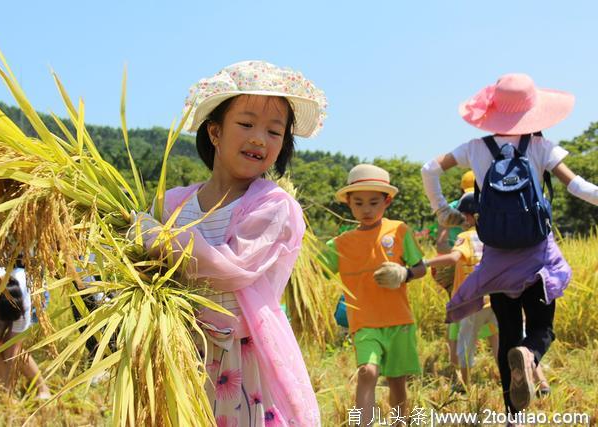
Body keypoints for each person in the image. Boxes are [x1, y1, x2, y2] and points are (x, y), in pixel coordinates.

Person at [131, 61, 326, 426]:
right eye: (247, 124)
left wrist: (157, 237)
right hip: (177, 351)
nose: (259, 139)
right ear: (215, 132)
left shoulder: (273, 206)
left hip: (238, 360)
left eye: (274, 131)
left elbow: (228, 269)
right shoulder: (172, 204)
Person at [421, 73, 598, 418]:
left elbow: (430, 168)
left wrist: (444, 211)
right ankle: (530, 356)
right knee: (542, 329)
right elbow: (578, 187)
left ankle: (511, 418)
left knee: (508, 333)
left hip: (496, 260)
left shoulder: (475, 148)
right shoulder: (541, 147)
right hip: (537, 257)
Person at [323, 164, 427, 424]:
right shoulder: (340, 245)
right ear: (349, 203)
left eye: (373, 202)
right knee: (367, 372)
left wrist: (405, 274)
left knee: (397, 382)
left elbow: (421, 268)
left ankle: (400, 422)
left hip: (398, 321)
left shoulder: (399, 231)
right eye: (358, 203)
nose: (366, 210)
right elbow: (315, 270)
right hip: (364, 323)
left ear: (387, 201)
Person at [426, 193, 498, 387]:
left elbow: (453, 258)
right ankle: (507, 378)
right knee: (498, 340)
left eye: (464, 216)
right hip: (498, 299)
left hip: (472, 301)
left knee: (466, 342)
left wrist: (425, 262)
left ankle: (464, 383)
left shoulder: (465, 237)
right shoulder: (496, 234)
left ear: (470, 217)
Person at [0, 267, 50, 398]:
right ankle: (7, 395)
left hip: (35, 297)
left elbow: (14, 351)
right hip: (3, 303)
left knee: (10, 348)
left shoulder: (24, 304)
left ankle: (42, 389)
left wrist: (9, 386)